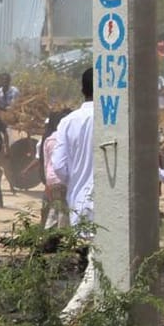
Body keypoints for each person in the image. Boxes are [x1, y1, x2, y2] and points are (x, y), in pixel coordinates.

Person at [49, 69, 96, 224]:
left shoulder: (68, 122)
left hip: (78, 204)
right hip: (113, 207)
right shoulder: (116, 121)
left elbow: (59, 166)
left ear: (82, 90)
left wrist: (76, 180)